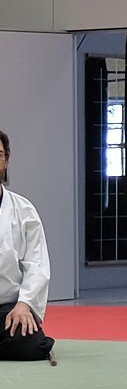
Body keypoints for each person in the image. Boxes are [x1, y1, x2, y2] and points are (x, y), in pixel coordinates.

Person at [0, 129, 54, 362]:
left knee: (29, 345)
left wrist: (25, 304)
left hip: (8, 308)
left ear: (6, 160)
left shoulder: (23, 210)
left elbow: (37, 265)